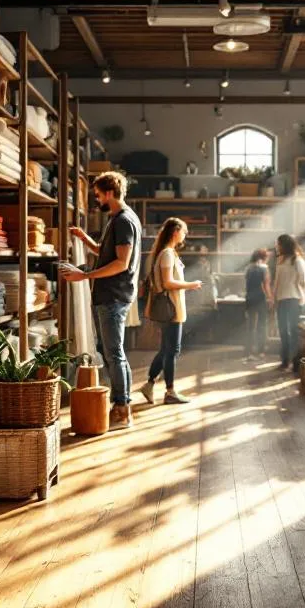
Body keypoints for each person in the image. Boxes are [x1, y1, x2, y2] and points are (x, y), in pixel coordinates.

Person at [63, 171, 141, 429]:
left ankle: (122, 410)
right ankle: (122, 405)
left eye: (97, 195)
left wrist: (84, 275)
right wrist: (86, 240)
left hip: (113, 296)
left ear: (109, 193)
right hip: (111, 295)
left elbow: (121, 263)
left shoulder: (122, 221)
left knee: (114, 355)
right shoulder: (119, 219)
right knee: (113, 355)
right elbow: (108, 254)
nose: (96, 199)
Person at [140, 217, 203, 404]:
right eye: (183, 231)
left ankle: (149, 384)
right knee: (172, 350)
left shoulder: (167, 253)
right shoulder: (167, 254)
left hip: (172, 307)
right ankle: (170, 392)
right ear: (175, 231)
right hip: (171, 308)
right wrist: (191, 285)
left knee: (166, 349)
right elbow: (167, 282)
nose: (184, 235)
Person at [273, 234, 305, 371]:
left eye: (278, 244)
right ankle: (285, 361)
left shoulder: (298, 260)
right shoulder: (281, 261)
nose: (277, 246)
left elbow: (304, 280)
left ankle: (296, 363)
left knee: (294, 332)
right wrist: (274, 298)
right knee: (283, 331)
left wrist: (303, 298)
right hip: (282, 299)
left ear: (285, 245)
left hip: (294, 299)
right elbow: (277, 281)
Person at [242, 248, 273, 361]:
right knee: (262, 325)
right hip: (260, 298)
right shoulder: (264, 268)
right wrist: (270, 298)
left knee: (250, 325)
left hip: (250, 298)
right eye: (267, 258)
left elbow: (246, 284)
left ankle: (249, 351)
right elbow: (266, 285)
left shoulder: (248, 268)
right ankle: (261, 351)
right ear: (262, 258)